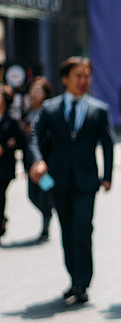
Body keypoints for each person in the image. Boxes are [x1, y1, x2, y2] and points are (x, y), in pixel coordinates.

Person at [29, 58, 114, 304]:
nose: (83, 81)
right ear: (65, 79)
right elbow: (34, 136)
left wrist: (107, 177)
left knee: (82, 227)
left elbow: (107, 145)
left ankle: (83, 282)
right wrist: (37, 161)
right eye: (78, 75)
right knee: (67, 229)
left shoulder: (98, 110)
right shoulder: (50, 108)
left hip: (87, 181)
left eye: (87, 76)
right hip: (59, 180)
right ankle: (74, 279)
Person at [21, 77, 54, 241]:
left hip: (45, 161)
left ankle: (47, 220)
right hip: (30, 161)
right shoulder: (27, 112)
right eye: (32, 90)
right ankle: (48, 212)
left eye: (38, 90)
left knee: (45, 191)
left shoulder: (49, 111)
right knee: (32, 194)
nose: (34, 94)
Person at [0, 85, 25, 240]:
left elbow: (21, 142)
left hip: (5, 167)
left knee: (0, 193)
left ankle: (0, 219)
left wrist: (8, 146)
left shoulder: (12, 121)